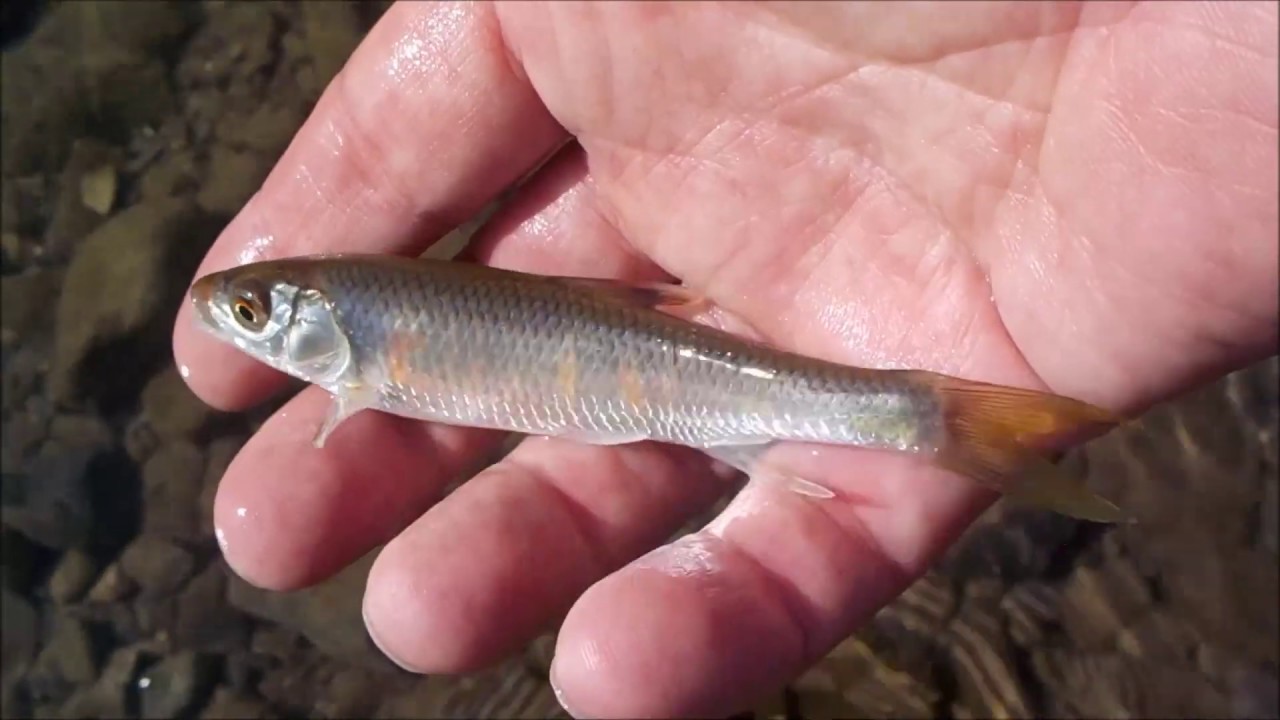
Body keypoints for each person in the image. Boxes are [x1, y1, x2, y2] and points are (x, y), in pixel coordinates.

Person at [172, 3, 1278, 717]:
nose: (251, 319)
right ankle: (948, 426)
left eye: (263, 311)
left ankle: (932, 422)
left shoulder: (366, 343)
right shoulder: (365, 337)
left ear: (326, 321)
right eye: (262, 313)